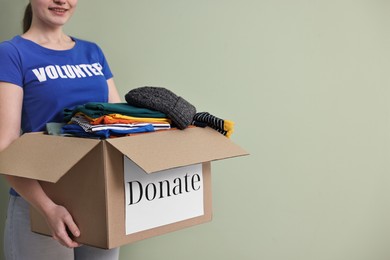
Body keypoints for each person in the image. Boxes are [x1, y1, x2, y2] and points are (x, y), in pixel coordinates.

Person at [0, 0, 121, 259]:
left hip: (98, 199)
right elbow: (5, 146)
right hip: (39, 202)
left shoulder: (93, 52)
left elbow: (119, 124)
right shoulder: (11, 53)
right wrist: (48, 209)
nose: (61, 0)